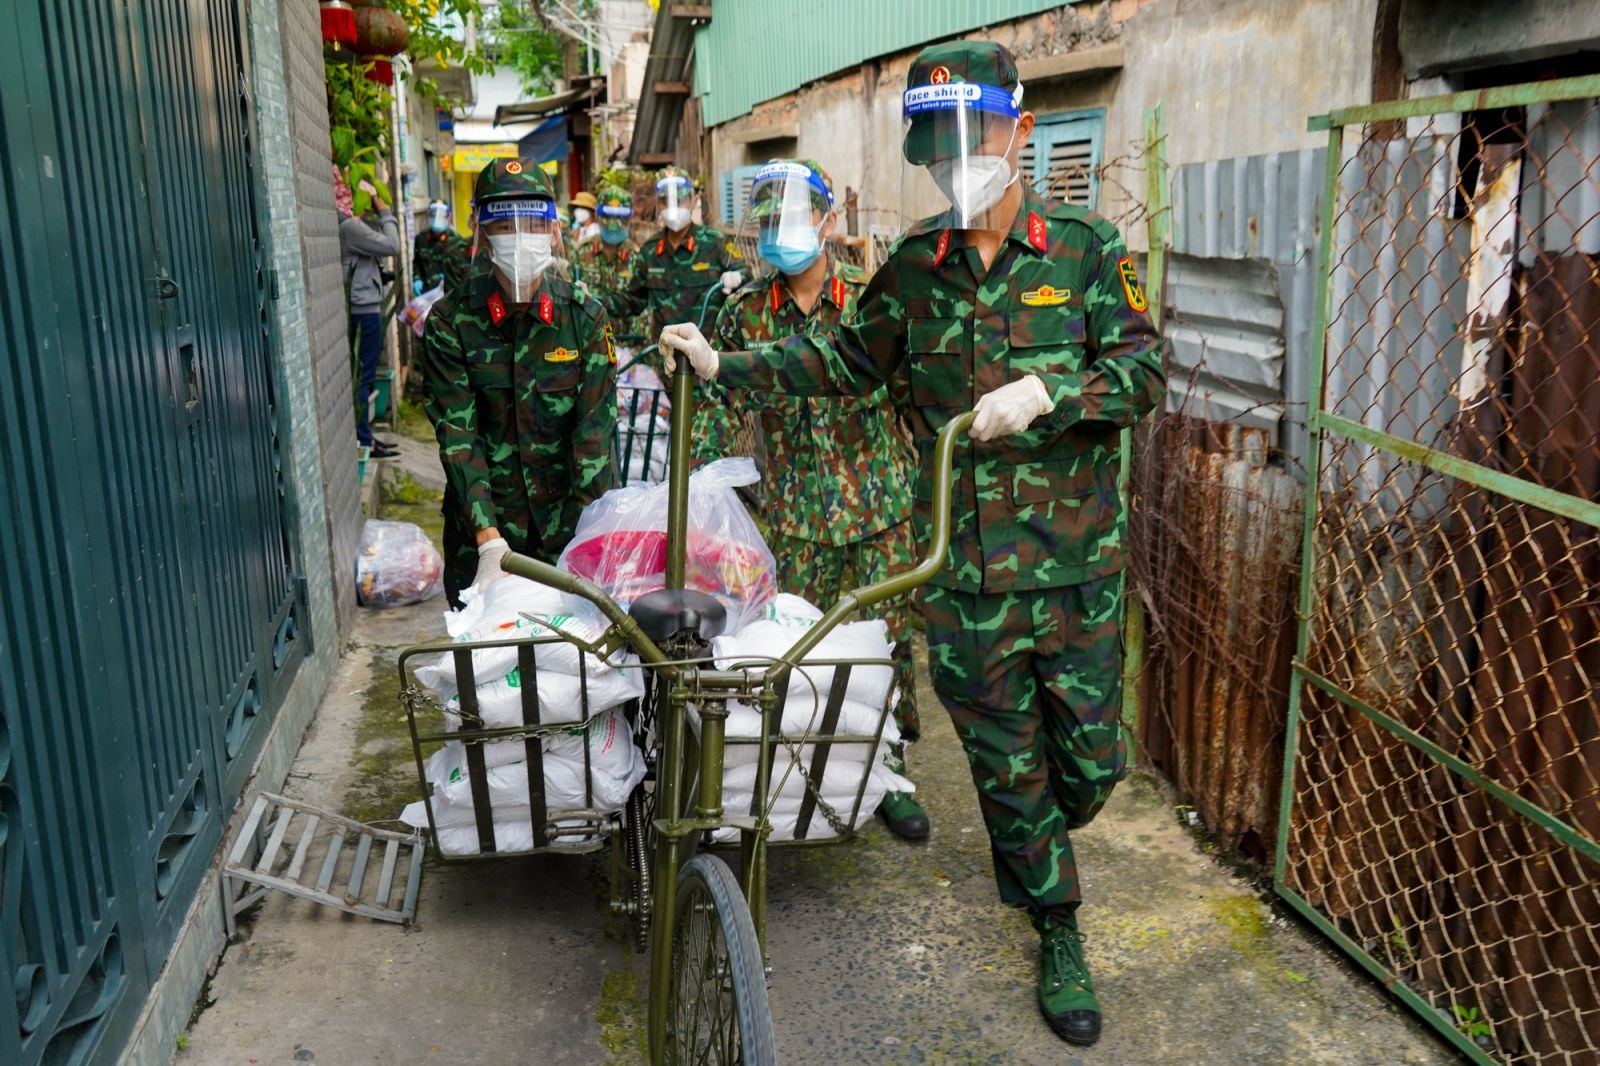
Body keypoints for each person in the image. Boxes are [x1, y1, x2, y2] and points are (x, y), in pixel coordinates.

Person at [659, 41, 1164, 1048]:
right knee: (1007, 770)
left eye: (976, 133)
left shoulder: (1087, 250)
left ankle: (1054, 841)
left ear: (1018, 133)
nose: (958, 156)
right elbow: (838, 362)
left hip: (1077, 574)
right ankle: (1056, 926)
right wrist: (725, 363)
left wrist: (1052, 390)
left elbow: (1144, 374)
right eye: (938, 143)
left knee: (1092, 766)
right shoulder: (909, 275)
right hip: (963, 578)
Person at [712, 158, 928, 840]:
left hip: (879, 510)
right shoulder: (743, 312)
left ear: (829, 222)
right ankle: (809, 775)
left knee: (887, 647)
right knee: (801, 651)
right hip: (795, 516)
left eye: (795, 216)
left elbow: (912, 400)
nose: (783, 230)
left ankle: (889, 769)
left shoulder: (873, 300)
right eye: (770, 217)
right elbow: (718, 411)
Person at [423, 158, 617, 606]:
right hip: (483, 538)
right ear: (482, 232)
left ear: (553, 230)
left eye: (531, 222)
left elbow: (593, 441)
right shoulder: (452, 322)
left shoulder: (584, 318)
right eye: (504, 224)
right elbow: (458, 435)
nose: (519, 236)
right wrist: (489, 541)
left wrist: (592, 542)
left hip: (568, 536)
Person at [603, 166, 745, 457]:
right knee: (669, 451)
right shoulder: (650, 252)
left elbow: (746, 277)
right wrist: (592, 299)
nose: (673, 207)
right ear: (658, 204)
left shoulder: (715, 244)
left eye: (680, 199)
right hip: (667, 369)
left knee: (706, 451)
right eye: (665, 200)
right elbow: (632, 300)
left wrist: (737, 279)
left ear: (693, 201)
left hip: (709, 369)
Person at [338, 164, 402, 459]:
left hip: (359, 306)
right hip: (364, 311)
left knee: (362, 376)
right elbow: (392, 245)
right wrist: (385, 210)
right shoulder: (350, 227)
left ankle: (366, 437)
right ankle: (364, 440)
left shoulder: (345, 224)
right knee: (363, 377)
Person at [573, 185, 648, 350]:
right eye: (608, 217)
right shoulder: (582, 252)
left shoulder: (637, 257)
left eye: (620, 218)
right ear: (598, 217)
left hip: (627, 344)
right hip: (589, 344)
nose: (613, 225)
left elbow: (642, 307)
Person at [412, 197, 470, 296]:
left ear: (449, 217)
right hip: (426, 294)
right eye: (434, 214)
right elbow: (417, 263)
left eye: (442, 214)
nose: (437, 218)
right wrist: (417, 279)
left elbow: (464, 272)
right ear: (428, 215)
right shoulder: (421, 239)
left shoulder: (457, 241)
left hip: (449, 296)